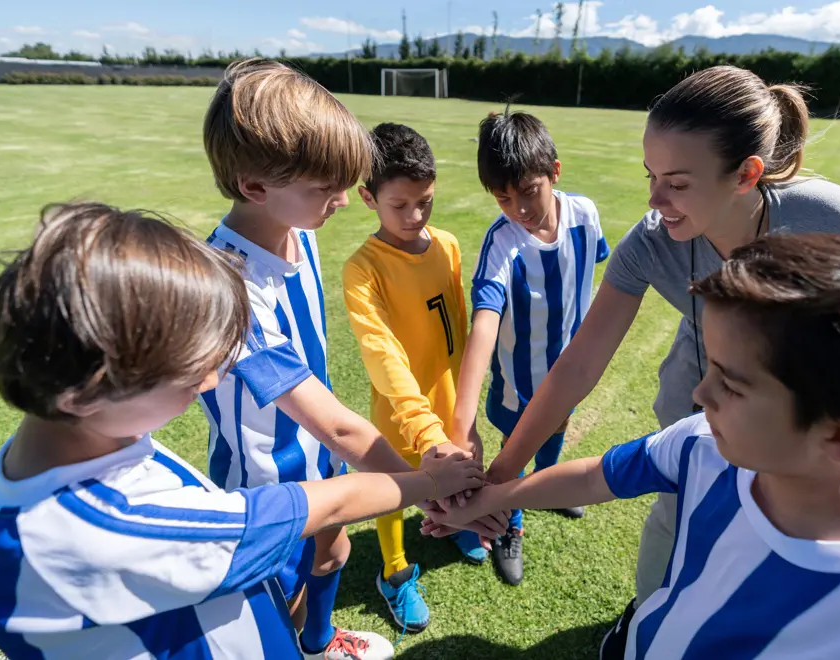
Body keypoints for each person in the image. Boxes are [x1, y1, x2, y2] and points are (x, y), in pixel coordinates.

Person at [480, 64, 840, 651]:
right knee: (677, 526)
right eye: (651, 176)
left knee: (775, 552)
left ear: (747, 174)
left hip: (806, 423)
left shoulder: (836, 223)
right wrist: (503, 474)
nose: (654, 201)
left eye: (676, 182)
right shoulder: (652, 241)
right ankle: (648, 625)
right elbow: (578, 363)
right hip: (695, 403)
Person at [0, 202, 493, 660]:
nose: (212, 379)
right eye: (189, 371)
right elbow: (321, 507)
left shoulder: (79, 445)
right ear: (84, 392)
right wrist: (429, 485)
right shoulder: (101, 526)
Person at [425, 232, 840, 660]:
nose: (700, 392)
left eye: (732, 384)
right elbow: (594, 478)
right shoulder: (704, 445)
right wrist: (488, 501)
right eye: (710, 367)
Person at [198, 59, 501, 659]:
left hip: (322, 459)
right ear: (256, 187)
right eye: (325, 188)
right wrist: (430, 488)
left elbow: (331, 424)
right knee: (274, 606)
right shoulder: (231, 290)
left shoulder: (297, 232)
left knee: (334, 551)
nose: (342, 200)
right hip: (267, 491)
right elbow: (334, 421)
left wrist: (426, 482)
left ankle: (321, 643)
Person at [342, 122, 493, 633]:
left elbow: (462, 329)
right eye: (399, 205)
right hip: (401, 410)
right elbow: (382, 353)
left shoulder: (447, 245)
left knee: (461, 465)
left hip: (451, 401)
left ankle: (452, 522)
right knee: (396, 490)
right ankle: (394, 571)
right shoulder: (362, 269)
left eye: (425, 201)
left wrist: (462, 411)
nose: (415, 216)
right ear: (368, 198)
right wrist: (421, 425)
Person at [451, 108, 610, 586]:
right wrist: (463, 422)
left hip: (570, 372)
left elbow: (597, 264)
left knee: (556, 432)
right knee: (512, 453)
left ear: (554, 172)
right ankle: (509, 524)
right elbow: (485, 322)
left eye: (528, 192)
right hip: (519, 383)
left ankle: (552, 486)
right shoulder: (502, 242)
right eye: (503, 198)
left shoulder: (585, 214)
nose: (518, 208)